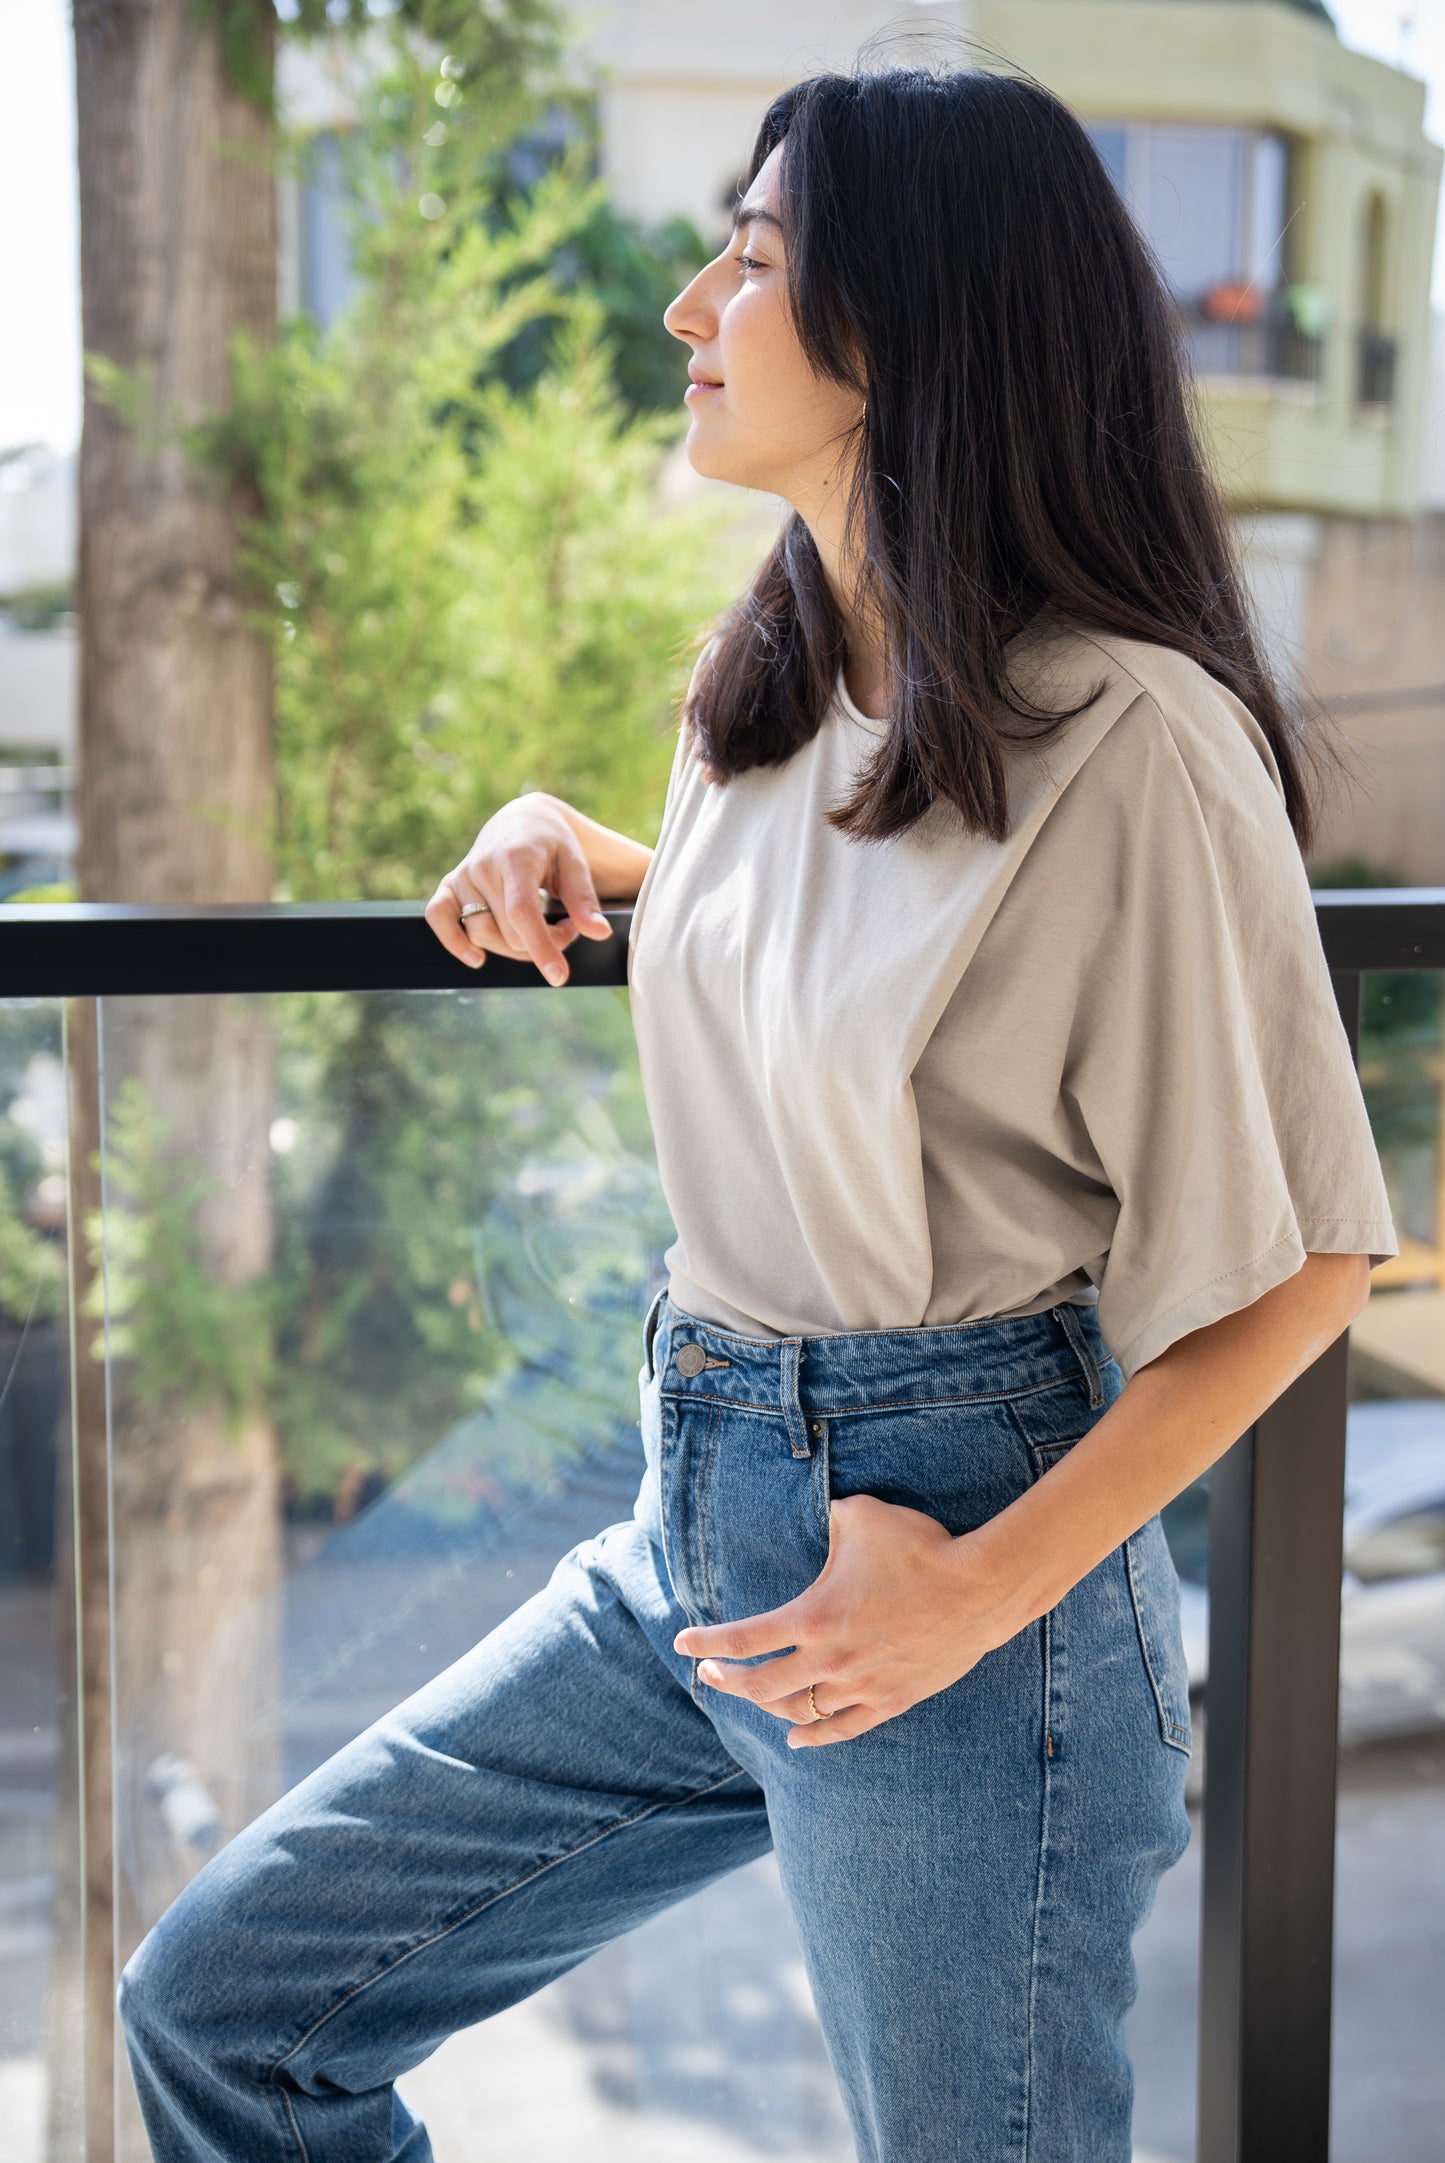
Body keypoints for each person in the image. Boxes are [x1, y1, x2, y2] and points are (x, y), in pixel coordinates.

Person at [118, 62, 1399, 2163]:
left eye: (755, 253)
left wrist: (974, 1590)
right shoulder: (779, 683)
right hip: (694, 1516)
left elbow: (1304, 1263)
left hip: (954, 1545)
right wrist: (590, 848)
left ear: (903, 327)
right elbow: (867, 944)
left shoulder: (1138, 739)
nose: (688, 301)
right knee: (229, 2009)